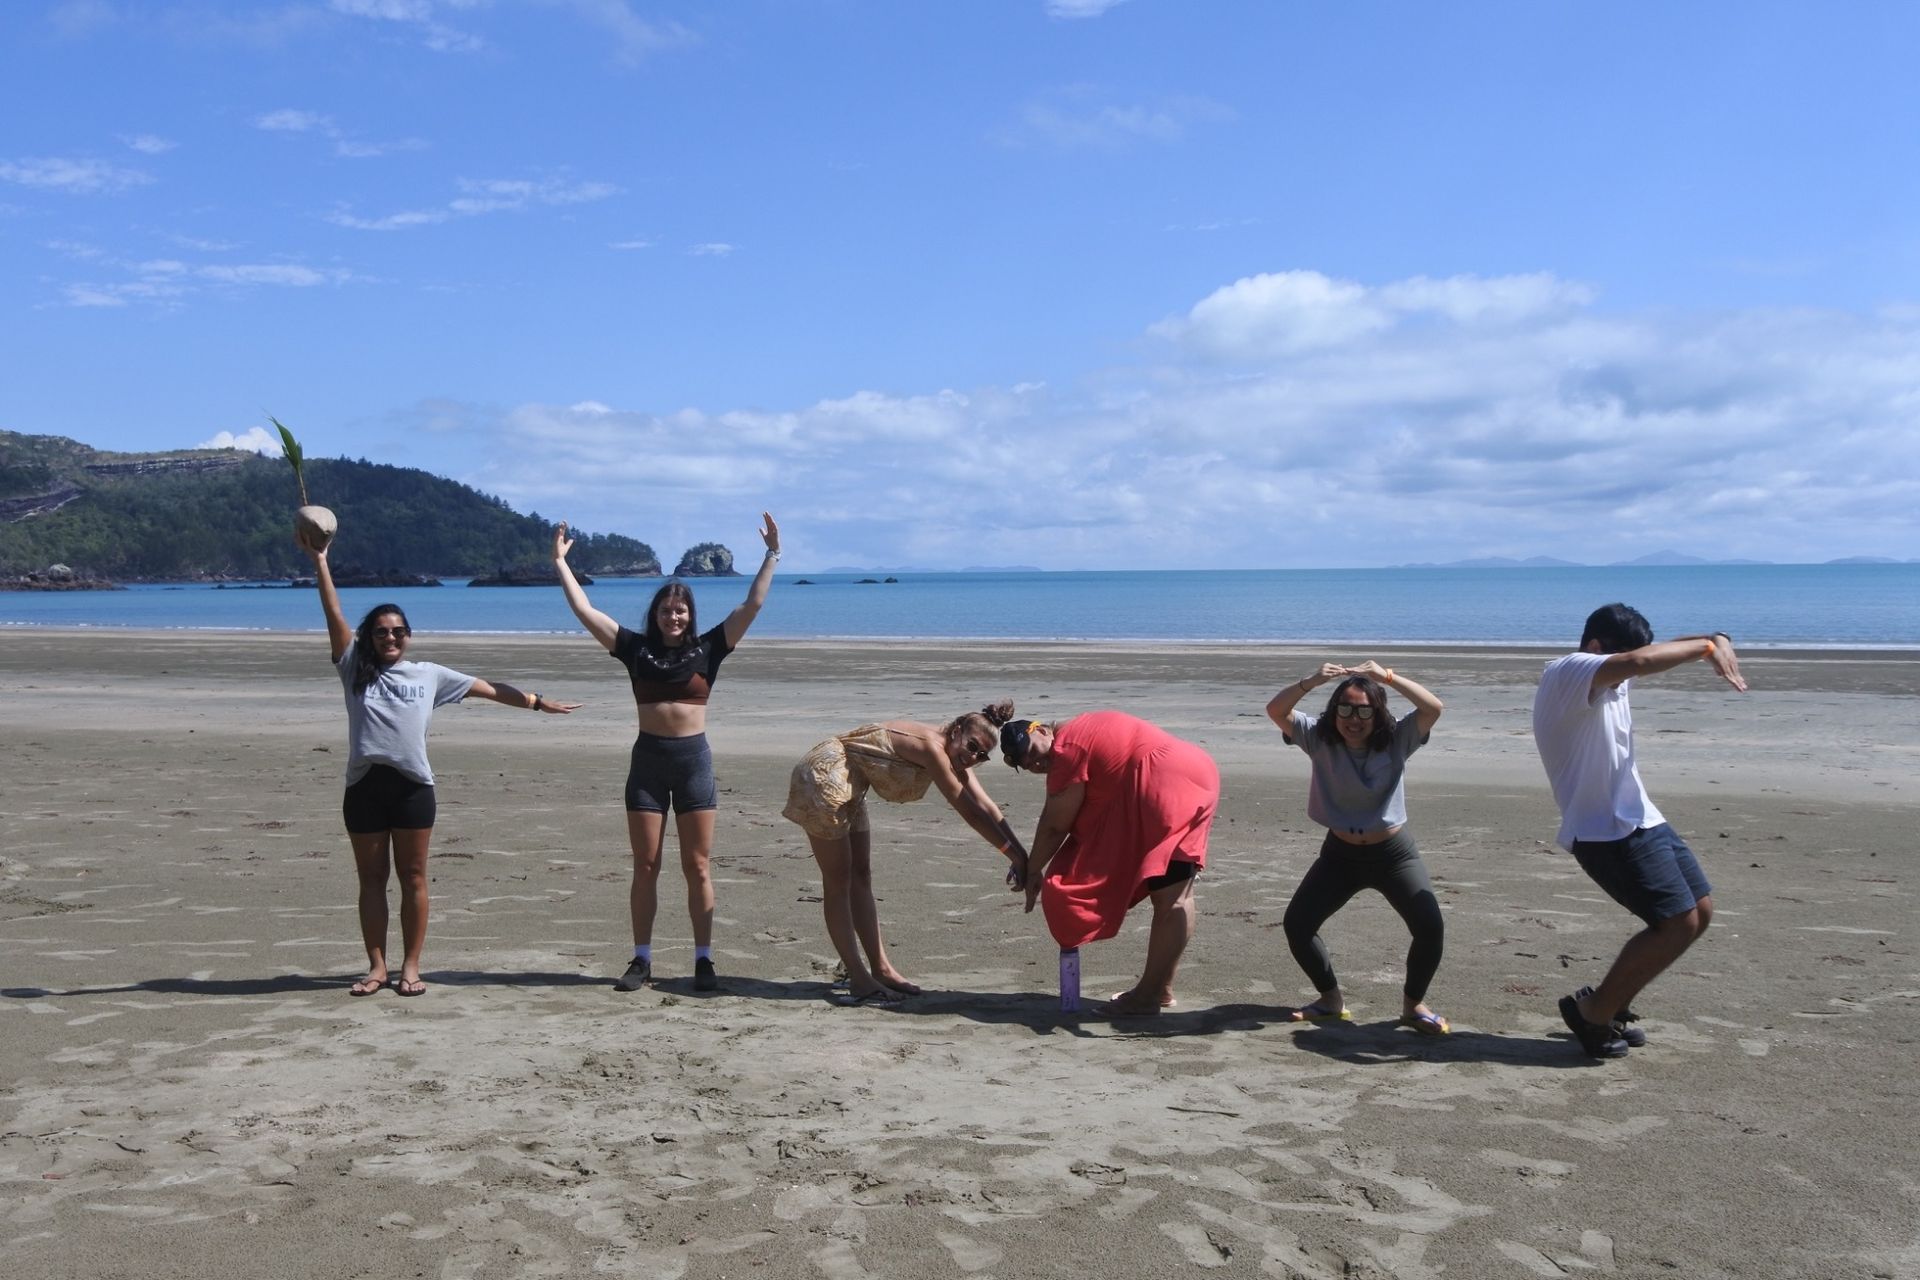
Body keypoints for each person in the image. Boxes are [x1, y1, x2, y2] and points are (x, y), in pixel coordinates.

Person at [299, 529, 579, 998]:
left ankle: (410, 967)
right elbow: (334, 613)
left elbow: (489, 688)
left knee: (413, 878)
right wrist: (321, 561)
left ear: (408, 637)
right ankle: (376, 968)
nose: (390, 637)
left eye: (398, 632)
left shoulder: (429, 675)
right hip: (365, 787)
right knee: (371, 881)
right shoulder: (353, 666)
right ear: (370, 636)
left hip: (412, 789)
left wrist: (535, 701)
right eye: (382, 631)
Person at [552, 515, 780, 993]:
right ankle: (641, 958)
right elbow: (585, 610)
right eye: (665, 610)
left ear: (689, 615)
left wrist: (772, 555)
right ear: (655, 614)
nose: (673, 617)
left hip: (694, 762)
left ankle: (703, 959)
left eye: (680, 610)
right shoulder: (633, 649)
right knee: (646, 865)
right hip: (647, 764)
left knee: (697, 865)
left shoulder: (709, 649)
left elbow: (752, 604)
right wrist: (559, 563)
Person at [1532, 603, 1747, 1058]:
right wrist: (1707, 647)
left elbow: (1646, 655)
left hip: (1642, 817)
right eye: (1621, 657)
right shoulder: (1568, 672)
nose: (1631, 671)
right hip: (1604, 830)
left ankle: (1609, 1005)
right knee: (1674, 923)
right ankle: (1592, 1014)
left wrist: (1718, 635)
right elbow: (1640, 661)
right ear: (1594, 647)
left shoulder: (1611, 671)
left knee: (1700, 913)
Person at [782, 702, 1028, 1005]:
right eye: (972, 746)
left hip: (854, 783)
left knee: (862, 874)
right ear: (957, 731)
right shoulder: (932, 749)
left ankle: (881, 969)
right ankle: (859, 978)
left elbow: (987, 806)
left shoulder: (954, 755)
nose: (973, 757)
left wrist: (1022, 855)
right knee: (838, 879)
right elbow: (971, 813)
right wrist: (1012, 856)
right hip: (826, 773)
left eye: (982, 756)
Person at [1264, 660, 1449, 1034]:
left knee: (1429, 927)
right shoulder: (1318, 738)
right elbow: (1276, 710)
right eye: (1345, 708)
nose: (1353, 718)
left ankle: (1413, 1007)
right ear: (1334, 712)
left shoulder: (1399, 738)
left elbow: (1433, 708)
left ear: (1377, 714)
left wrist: (1388, 677)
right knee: (1298, 924)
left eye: (1365, 710)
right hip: (1340, 856)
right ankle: (1331, 1001)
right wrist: (1314, 680)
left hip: (1393, 854)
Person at [1001, 712, 1220, 1017]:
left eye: (1034, 753)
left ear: (1041, 730)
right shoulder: (1082, 727)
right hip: (1196, 771)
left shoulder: (1067, 747)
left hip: (1163, 782)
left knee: (1171, 898)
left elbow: (1055, 825)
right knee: (1177, 894)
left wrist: (1033, 868)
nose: (1036, 764)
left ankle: (1147, 997)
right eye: (1027, 765)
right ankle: (1160, 989)